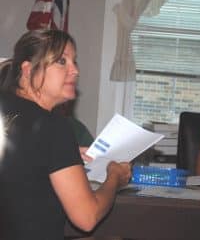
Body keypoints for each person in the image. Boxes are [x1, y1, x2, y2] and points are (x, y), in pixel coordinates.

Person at [0, 29, 132, 240]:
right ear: (27, 69)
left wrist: (62, 156)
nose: (75, 71)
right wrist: (114, 176)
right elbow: (86, 218)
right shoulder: (53, 126)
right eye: (62, 61)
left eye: (74, 62)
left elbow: (19, 164)